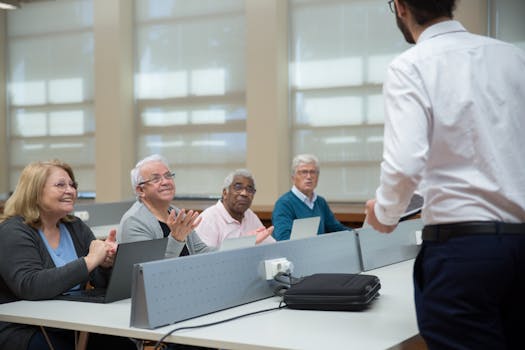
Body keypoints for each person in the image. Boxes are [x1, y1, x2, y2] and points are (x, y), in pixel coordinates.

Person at [365, 1, 525, 349]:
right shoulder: (513, 58)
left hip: (463, 254)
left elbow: (405, 163)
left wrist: (385, 213)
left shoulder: (411, 66)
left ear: (401, 7)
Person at [0, 160, 135, 350]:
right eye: (60, 185)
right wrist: (89, 261)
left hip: (71, 322)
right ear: (35, 192)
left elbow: (101, 283)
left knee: (123, 346)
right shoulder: (13, 231)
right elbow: (30, 286)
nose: (70, 190)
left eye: (72, 185)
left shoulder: (75, 226)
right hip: (25, 327)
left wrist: (105, 264)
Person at [118, 154, 214, 258]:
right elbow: (149, 270)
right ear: (140, 190)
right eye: (156, 179)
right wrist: (176, 239)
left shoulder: (176, 213)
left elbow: (200, 251)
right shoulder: (134, 221)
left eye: (168, 176)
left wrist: (229, 249)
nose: (165, 182)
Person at [272, 154, 351, 241]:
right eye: (304, 172)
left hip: (319, 251)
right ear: (293, 177)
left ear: (318, 177)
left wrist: (356, 234)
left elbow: (336, 229)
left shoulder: (320, 202)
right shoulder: (284, 204)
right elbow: (283, 239)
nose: (309, 177)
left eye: (313, 172)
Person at [195, 169, 275, 247]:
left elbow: (271, 247)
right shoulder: (209, 218)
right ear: (225, 193)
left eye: (249, 189)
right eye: (238, 187)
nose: (244, 193)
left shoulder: (250, 215)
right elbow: (205, 258)